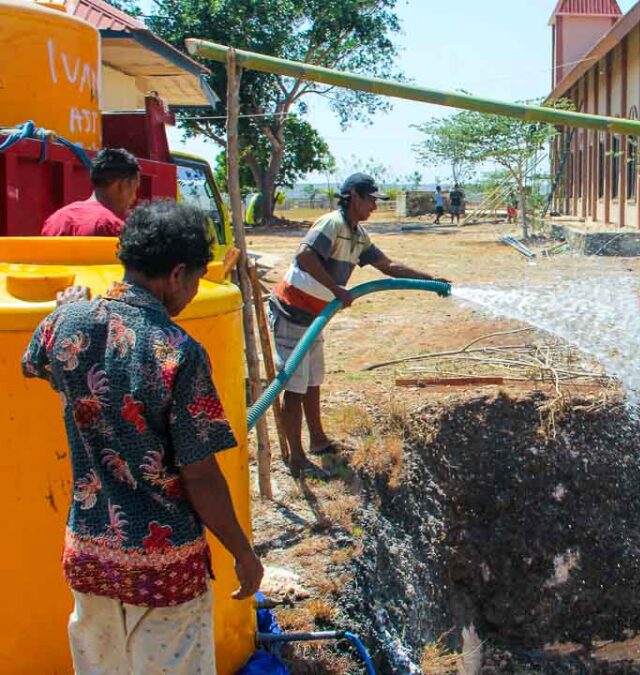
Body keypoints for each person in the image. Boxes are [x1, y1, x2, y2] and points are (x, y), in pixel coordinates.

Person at [22, 201, 263, 674]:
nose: (193, 291)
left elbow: (38, 365)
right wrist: (243, 552)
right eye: (194, 279)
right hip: (164, 569)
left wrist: (64, 312)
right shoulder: (177, 352)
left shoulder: (65, 322)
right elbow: (200, 476)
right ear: (176, 274)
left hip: (89, 555)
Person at [270, 173, 448, 476]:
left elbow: (388, 266)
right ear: (353, 195)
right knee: (295, 388)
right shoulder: (332, 224)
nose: (374, 207)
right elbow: (304, 256)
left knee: (312, 381)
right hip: (292, 313)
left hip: (315, 318)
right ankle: (296, 458)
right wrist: (337, 289)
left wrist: (431, 281)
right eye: (370, 200)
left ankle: (318, 440)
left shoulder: (358, 235)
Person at [42, 148, 141, 237]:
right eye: (134, 188)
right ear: (121, 185)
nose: (134, 197)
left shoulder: (56, 220)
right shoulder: (111, 226)